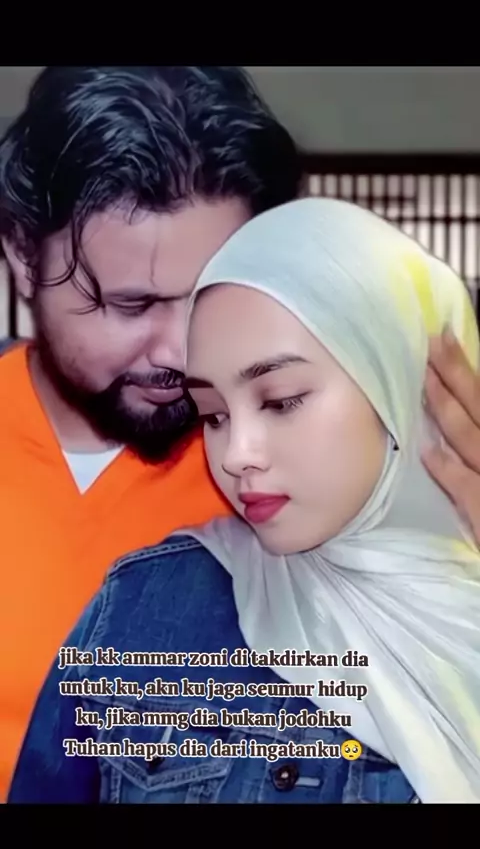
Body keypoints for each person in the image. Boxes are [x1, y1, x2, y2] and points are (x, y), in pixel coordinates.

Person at [8, 197, 480, 805]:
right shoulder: (145, 608)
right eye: (213, 414)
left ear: (401, 382)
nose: (235, 454)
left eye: (280, 400)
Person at [0, 65, 303, 800]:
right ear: (22, 257)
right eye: (132, 306)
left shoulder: (298, 473)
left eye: (211, 297)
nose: (180, 352)